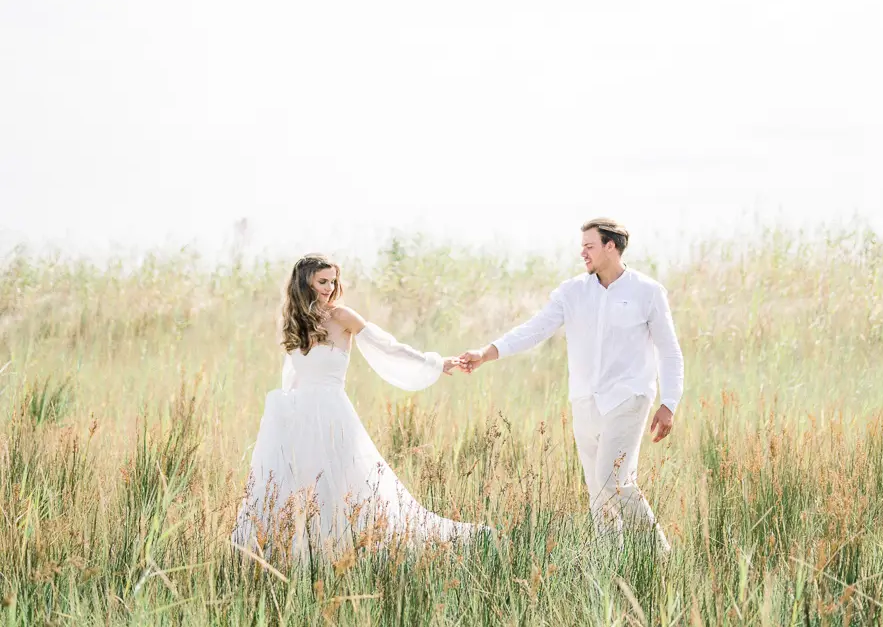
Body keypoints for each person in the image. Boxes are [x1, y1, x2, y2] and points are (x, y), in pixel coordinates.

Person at [232, 253, 478, 563]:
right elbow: (292, 375)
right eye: (323, 281)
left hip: (333, 413)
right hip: (297, 415)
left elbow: (387, 346)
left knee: (345, 481)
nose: (330, 288)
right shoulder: (294, 322)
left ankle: (346, 551)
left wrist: (433, 363)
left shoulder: (342, 316)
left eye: (333, 281)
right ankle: (302, 555)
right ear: (304, 282)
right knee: (298, 486)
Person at [458, 219, 684, 551]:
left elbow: (669, 349)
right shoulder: (572, 291)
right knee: (598, 491)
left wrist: (670, 402)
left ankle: (659, 554)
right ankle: (614, 567)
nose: (582, 252)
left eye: (589, 246)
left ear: (611, 246)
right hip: (584, 401)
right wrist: (486, 353)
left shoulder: (647, 291)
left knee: (614, 480)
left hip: (628, 397)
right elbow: (534, 329)